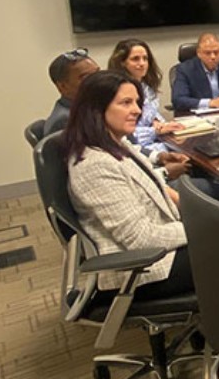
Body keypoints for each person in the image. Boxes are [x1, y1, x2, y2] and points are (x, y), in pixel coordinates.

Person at [63, 70, 193, 300]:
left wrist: (207, 215)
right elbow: (142, 239)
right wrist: (202, 227)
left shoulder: (116, 144)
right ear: (96, 109)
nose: (137, 110)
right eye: (126, 103)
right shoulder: (94, 165)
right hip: (143, 269)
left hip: (161, 252)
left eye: (136, 102)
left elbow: (152, 186)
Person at [107, 39, 191, 180]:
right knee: (189, 161)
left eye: (145, 59)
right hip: (139, 151)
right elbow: (126, 135)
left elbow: (152, 112)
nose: (142, 63)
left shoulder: (147, 87)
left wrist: (158, 120)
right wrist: (155, 131)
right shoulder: (117, 91)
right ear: (122, 63)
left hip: (156, 146)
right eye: (135, 59)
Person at [44, 48, 100, 135]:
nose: (98, 79)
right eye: (86, 77)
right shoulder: (66, 121)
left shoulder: (89, 107)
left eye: (98, 73)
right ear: (63, 86)